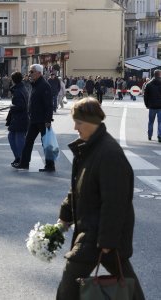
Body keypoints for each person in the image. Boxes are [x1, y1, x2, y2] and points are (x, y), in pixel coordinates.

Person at [56, 97, 145, 300]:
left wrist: (107, 240)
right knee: (126, 283)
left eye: (78, 122)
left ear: (90, 122)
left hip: (97, 236)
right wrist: (65, 216)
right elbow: (78, 188)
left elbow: (115, 201)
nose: (75, 127)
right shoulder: (90, 148)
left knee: (68, 286)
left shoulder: (109, 153)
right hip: (96, 232)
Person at [12, 64, 54, 172]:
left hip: (43, 120)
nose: (29, 74)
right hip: (34, 119)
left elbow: (49, 105)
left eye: (32, 72)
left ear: (39, 73)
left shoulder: (44, 86)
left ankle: (50, 166)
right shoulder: (35, 84)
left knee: (46, 142)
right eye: (30, 71)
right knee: (28, 141)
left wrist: (48, 120)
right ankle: (24, 163)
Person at [7, 71, 29, 166]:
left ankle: (21, 159)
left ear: (13, 80)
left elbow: (21, 106)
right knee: (12, 137)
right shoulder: (22, 88)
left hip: (19, 118)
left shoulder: (18, 91)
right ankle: (18, 158)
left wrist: (12, 106)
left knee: (18, 138)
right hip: (20, 118)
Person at [144, 69, 161, 142]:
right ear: (159, 74)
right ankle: (160, 136)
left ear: (154, 74)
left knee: (151, 122)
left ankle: (149, 135)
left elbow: (145, 96)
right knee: (160, 122)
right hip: (160, 106)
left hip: (152, 106)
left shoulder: (149, 84)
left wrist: (147, 105)